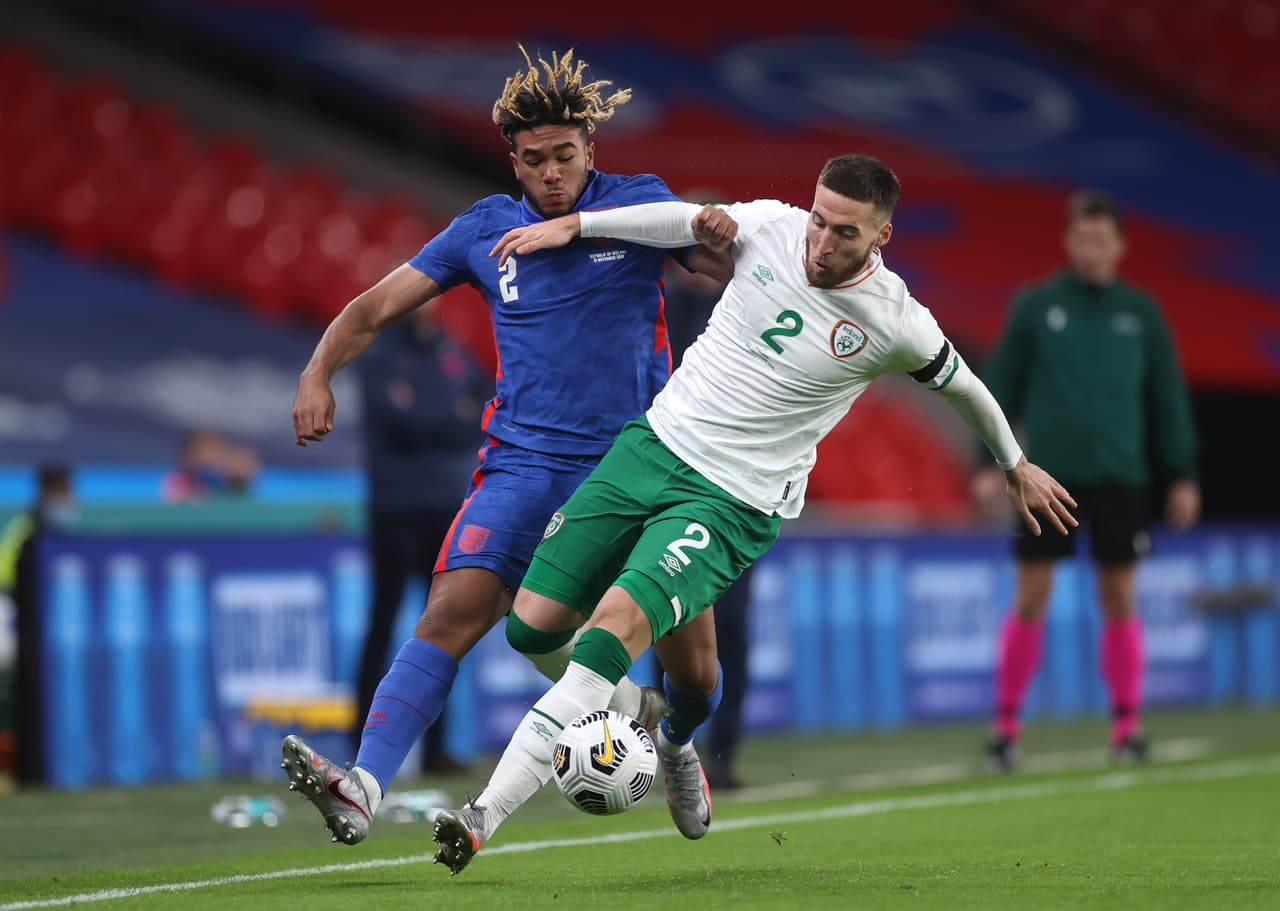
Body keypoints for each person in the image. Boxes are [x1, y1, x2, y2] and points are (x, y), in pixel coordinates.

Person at [429, 153, 1078, 875]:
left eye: (844, 235)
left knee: (610, 631)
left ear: (882, 236)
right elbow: (675, 221)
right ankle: (664, 727)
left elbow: (966, 387)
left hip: (731, 497)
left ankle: (483, 815)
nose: (822, 244)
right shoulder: (773, 225)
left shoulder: (898, 320)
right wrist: (575, 226)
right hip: (651, 446)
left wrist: (1013, 462)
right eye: (820, 222)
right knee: (533, 626)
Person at [282, 46, 734, 847]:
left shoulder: (635, 206)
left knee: (694, 675)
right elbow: (372, 308)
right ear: (512, 160)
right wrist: (318, 371)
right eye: (535, 160)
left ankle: (670, 736)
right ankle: (364, 785)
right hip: (522, 463)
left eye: (566, 155)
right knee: (451, 613)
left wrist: (721, 234)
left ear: (591, 150)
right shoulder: (483, 228)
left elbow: (712, 260)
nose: (552, 172)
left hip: (638, 466)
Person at [971, 190, 1200, 772]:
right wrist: (986, 462)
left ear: (1120, 245)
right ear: (1067, 241)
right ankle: (1005, 729)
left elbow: (1167, 397)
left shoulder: (1142, 312)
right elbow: (999, 385)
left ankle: (1127, 727)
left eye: (1101, 240)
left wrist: (1183, 472)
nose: (1090, 250)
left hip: (1122, 475)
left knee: (1120, 596)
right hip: (1049, 479)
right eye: (1080, 239)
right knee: (1031, 595)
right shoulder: (1037, 304)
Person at [354, 306, 493, 774]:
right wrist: (444, 411)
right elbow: (402, 420)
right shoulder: (380, 357)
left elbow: (481, 410)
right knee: (383, 622)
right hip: (395, 508)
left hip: (443, 508)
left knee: (444, 625)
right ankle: (363, 746)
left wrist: (427, 410)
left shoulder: (452, 353)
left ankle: (436, 750)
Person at [662, 193, 754, 791]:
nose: (703, 255)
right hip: (668, 483)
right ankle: (656, 749)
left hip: (733, 487)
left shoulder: (744, 308)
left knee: (734, 627)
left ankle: (722, 756)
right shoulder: (656, 309)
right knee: (658, 616)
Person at [0, 463, 76, 784]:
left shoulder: (50, 525)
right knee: (10, 685)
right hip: (9, 611)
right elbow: (6, 570)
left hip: (32, 617)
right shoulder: (27, 525)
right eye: (64, 491)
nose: (70, 499)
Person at [161, 428, 260, 503]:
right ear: (187, 457)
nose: (212, 458)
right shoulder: (178, 480)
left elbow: (242, 503)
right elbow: (176, 505)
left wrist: (240, 481)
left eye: (216, 450)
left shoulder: (228, 480)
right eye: (206, 451)